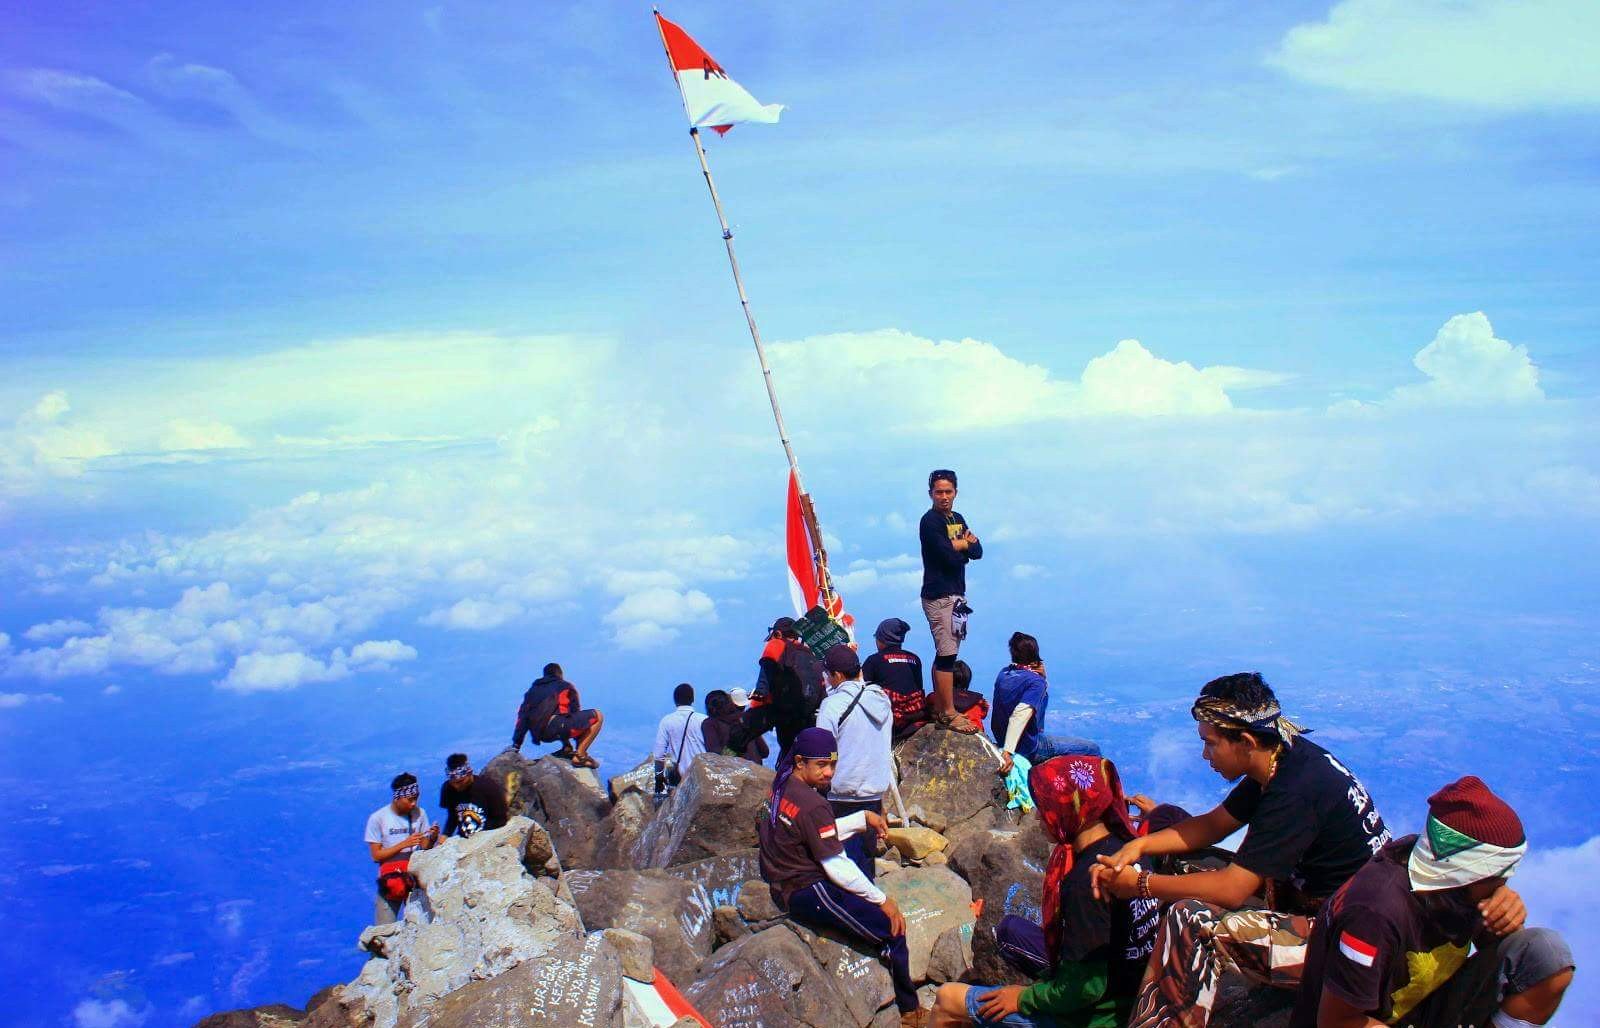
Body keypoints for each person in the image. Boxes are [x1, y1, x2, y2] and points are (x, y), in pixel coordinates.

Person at [1091, 673, 1391, 1028]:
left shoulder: (1294, 792)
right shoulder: (1281, 758)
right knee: (1177, 857)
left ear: (1246, 741)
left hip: (1339, 947)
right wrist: (1138, 845)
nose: (1205, 754)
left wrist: (1140, 885)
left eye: (1211, 743)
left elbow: (1232, 890)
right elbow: (1213, 824)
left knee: (1191, 921)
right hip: (1319, 910)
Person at [1292, 776, 1573, 1028]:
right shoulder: (1374, 913)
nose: (1505, 884)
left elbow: (1501, 958)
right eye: (1499, 876)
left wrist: (1506, 918)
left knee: (1545, 954)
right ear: (1469, 872)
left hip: (1420, 1009)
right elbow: (1337, 1022)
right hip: (1366, 1021)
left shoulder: (1447, 881)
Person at [931, 755, 1161, 1027]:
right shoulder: (1132, 848)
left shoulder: (1086, 881)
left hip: (1100, 1016)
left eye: (1046, 807)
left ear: (1070, 810)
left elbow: (1087, 989)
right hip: (1132, 991)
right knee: (1010, 931)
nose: (1040, 817)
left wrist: (1025, 997)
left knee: (947, 999)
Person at [758, 727, 925, 1027]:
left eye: (832, 764)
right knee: (892, 927)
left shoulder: (782, 785)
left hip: (780, 880)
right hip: (805, 889)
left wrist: (862, 820)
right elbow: (836, 864)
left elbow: (815, 832)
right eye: (821, 765)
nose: (829, 772)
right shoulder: (813, 804)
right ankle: (909, 1010)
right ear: (800, 763)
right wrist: (883, 900)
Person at [814, 643, 895, 880]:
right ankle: (869, 905)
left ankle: (850, 910)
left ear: (837, 675)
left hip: (841, 792)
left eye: (828, 674)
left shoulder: (832, 705)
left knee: (841, 861)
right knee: (865, 857)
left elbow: (822, 751)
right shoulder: (881, 699)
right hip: (874, 791)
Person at [920, 469, 983, 734]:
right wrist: (961, 547)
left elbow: (977, 551)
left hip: (956, 594)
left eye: (948, 491)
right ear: (931, 493)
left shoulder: (956, 518)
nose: (944, 497)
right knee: (947, 654)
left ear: (956, 492)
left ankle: (941, 706)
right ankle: (948, 712)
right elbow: (948, 557)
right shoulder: (930, 521)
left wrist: (962, 547)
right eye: (939, 492)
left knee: (947, 651)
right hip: (939, 594)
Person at [990, 632, 1101, 775]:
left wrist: (1043, 679)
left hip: (1003, 738)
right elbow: (1020, 715)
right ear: (1035, 656)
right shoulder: (1035, 682)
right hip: (1028, 746)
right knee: (1092, 749)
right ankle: (1095, 793)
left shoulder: (1004, 674)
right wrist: (1008, 752)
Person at [364, 772, 438, 924]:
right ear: (397, 797)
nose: (413, 804)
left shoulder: (420, 814)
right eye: (410, 800)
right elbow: (376, 855)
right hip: (391, 879)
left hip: (413, 876)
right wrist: (404, 844)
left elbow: (424, 847)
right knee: (384, 929)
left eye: (416, 799)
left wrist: (432, 837)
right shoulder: (378, 818)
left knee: (420, 924)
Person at [749, 616, 826, 754]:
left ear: (778, 634)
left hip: (785, 714)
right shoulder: (808, 651)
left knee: (789, 752)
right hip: (809, 715)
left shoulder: (775, 645)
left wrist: (758, 699)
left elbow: (765, 676)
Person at [510, 662, 603, 768]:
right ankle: (580, 755)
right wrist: (579, 743)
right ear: (560, 674)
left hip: (540, 734)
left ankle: (566, 749)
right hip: (557, 727)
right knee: (597, 715)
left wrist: (516, 746)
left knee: (561, 719)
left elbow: (522, 719)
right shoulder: (565, 686)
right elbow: (574, 715)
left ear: (545, 675)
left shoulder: (531, 691)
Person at [862, 617, 930, 742]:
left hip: (890, 721)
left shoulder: (873, 661)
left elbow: (861, 694)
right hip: (914, 717)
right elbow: (918, 690)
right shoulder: (915, 659)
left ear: (881, 639)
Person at [653, 682, 706, 795]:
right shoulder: (704, 720)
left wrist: (659, 778)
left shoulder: (667, 721)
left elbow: (658, 755)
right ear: (692, 699)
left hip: (679, 778)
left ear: (675, 700)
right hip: (701, 776)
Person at [437, 753, 508, 839]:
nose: (456, 786)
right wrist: (446, 835)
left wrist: (478, 836)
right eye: (453, 783)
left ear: (469, 774)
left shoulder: (489, 788)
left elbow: (500, 820)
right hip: (463, 839)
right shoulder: (448, 789)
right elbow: (453, 816)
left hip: (488, 837)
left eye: (460, 782)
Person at [702, 688, 769, 764]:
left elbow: (715, 758)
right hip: (758, 772)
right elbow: (764, 751)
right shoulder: (746, 718)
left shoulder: (709, 724)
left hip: (734, 773)